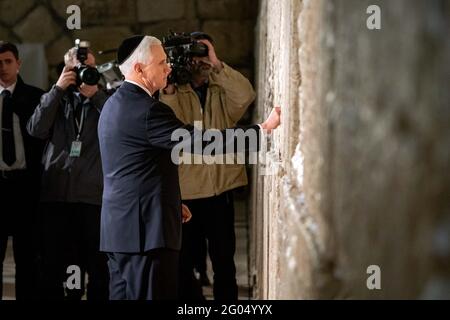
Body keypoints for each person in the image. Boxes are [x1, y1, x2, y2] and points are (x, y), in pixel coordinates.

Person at [97, 35, 281, 300]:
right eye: (161, 63)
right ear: (139, 69)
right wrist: (261, 131)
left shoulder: (113, 104)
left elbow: (133, 167)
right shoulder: (147, 110)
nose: (169, 68)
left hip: (121, 231)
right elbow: (201, 142)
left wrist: (168, 200)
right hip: (146, 235)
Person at [160, 32, 255, 300]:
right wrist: (169, 91)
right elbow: (171, 125)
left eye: (204, 53)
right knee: (185, 263)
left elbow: (245, 96)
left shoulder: (220, 88)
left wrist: (217, 64)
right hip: (188, 192)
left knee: (225, 262)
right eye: (195, 55)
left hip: (220, 190)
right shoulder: (175, 92)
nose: (199, 61)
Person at [27, 45, 110, 300]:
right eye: (77, 69)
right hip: (57, 198)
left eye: (90, 68)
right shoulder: (55, 98)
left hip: (92, 198)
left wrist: (94, 95)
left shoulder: (106, 100)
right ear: (65, 70)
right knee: (59, 266)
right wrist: (58, 89)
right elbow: (36, 129)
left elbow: (115, 127)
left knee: (98, 267)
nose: (85, 73)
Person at [0, 41, 45, 300]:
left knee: (28, 257)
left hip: (26, 186)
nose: (3, 67)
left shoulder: (37, 97)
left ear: (18, 64)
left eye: (8, 61)